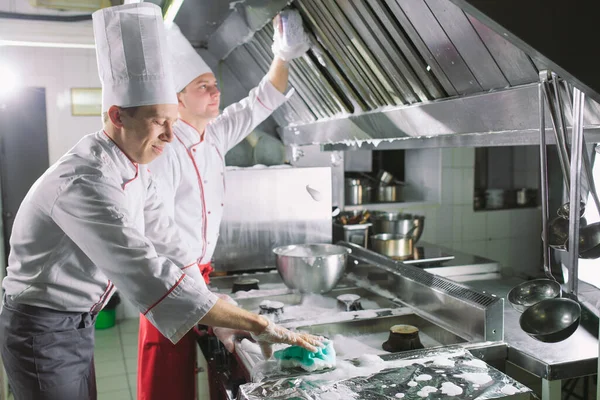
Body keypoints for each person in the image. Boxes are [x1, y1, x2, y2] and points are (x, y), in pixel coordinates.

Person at [0, 4, 322, 400]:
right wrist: (258, 323)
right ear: (117, 115)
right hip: (42, 325)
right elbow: (149, 272)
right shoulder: (87, 181)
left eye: (173, 121)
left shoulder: (134, 168)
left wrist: (219, 318)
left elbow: (172, 246)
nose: (170, 136)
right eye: (158, 121)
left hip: (78, 320)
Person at [137, 11, 311, 399]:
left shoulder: (214, 135)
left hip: (200, 278)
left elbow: (260, 101)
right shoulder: (164, 151)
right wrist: (202, 295)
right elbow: (155, 233)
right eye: (203, 86)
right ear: (177, 98)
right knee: (165, 384)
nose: (215, 92)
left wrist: (283, 53)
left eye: (215, 84)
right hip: (169, 282)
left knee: (187, 380)